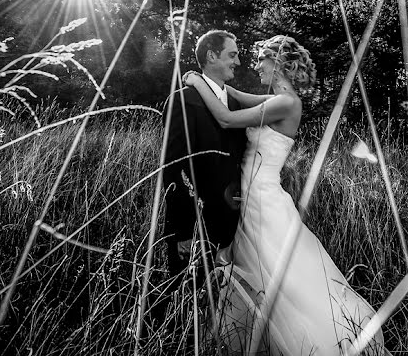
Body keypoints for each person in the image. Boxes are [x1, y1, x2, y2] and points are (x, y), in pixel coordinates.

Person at [182, 35, 389, 356]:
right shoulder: (277, 98)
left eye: (262, 59)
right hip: (252, 196)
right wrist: (206, 82)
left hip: (262, 200)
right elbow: (234, 95)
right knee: (259, 275)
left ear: (277, 63)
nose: (255, 65)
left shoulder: (286, 102)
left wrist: (195, 80)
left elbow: (226, 118)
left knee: (272, 278)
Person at [162, 30, 248, 285]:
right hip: (196, 226)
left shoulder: (237, 103)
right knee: (189, 301)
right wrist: (183, 230)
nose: (238, 62)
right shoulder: (182, 101)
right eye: (232, 55)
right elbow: (174, 168)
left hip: (234, 226)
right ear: (212, 55)